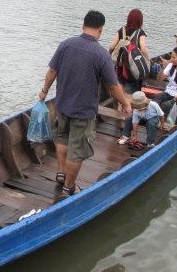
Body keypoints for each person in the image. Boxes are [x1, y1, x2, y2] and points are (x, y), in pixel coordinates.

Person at [38, 10, 131, 197]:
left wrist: (44, 91)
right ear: (101, 29)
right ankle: (68, 187)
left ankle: (61, 172)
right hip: (83, 111)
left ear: (83, 25)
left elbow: (51, 72)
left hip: (62, 105)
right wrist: (126, 104)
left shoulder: (66, 45)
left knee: (63, 139)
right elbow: (113, 86)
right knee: (77, 151)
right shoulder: (101, 54)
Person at [108, 8, 150, 99]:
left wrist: (108, 56)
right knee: (130, 95)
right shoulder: (140, 32)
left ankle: (120, 111)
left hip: (120, 66)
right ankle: (128, 113)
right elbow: (143, 49)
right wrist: (148, 62)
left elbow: (112, 47)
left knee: (121, 95)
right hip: (132, 68)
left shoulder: (121, 30)